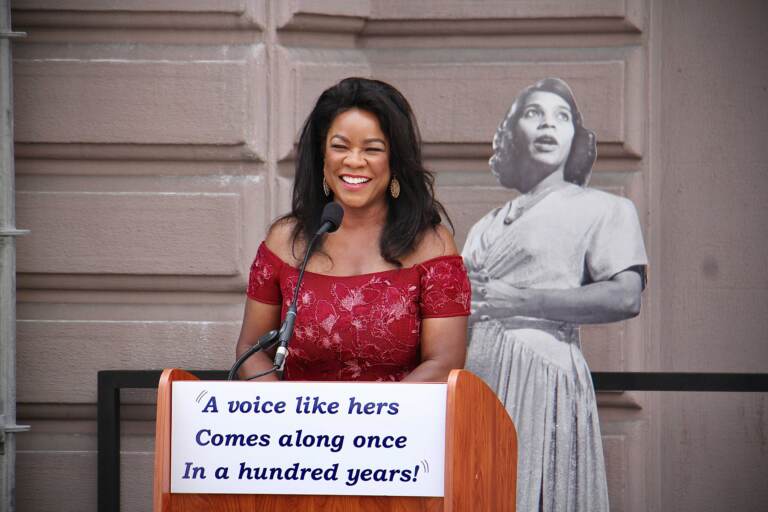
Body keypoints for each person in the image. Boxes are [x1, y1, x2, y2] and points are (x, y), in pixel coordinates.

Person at [462, 78, 648, 511]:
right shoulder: (484, 226)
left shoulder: (604, 209)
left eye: (562, 117)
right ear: (512, 134)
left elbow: (626, 296)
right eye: (534, 114)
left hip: (542, 374)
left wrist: (524, 302)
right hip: (478, 377)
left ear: (575, 137)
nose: (548, 124)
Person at [236, 77, 470, 382]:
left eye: (372, 149)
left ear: (395, 161)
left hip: (396, 426)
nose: (354, 161)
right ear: (322, 156)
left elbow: (444, 363)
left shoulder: (432, 247)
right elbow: (252, 351)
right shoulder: (286, 241)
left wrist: (360, 420)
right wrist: (287, 415)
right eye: (340, 147)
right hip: (297, 427)